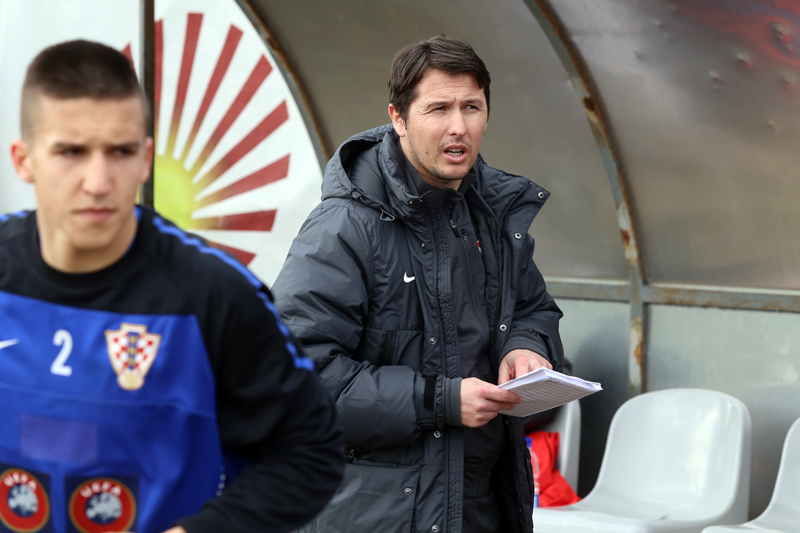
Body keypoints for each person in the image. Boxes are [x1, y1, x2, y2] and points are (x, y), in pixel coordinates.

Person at [0, 40, 342, 533]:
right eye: (71, 152)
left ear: (145, 159)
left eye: (119, 152)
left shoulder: (213, 294)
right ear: (24, 159)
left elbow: (310, 452)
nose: (97, 181)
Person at [273, 34, 563, 533]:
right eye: (438, 109)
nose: (458, 127)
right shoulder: (344, 227)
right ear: (399, 118)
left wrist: (525, 346)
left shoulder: (492, 217)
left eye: (471, 107)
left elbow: (533, 309)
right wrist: (439, 401)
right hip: (375, 515)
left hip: (483, 506)